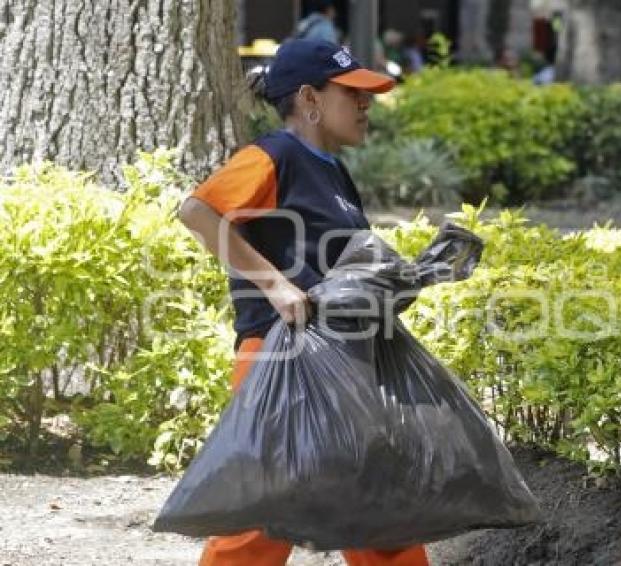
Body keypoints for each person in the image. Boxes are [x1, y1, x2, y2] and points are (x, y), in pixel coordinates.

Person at [178, 39, 430, 566]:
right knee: (265, 514)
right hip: (280, 358)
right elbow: (198, 211)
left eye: (368, 95)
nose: (366, 105)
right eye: (353, 94)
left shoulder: (334, 173)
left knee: (378, 508)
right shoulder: (274, 155)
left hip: (337, 358)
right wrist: (273, 283)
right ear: (310, 99)